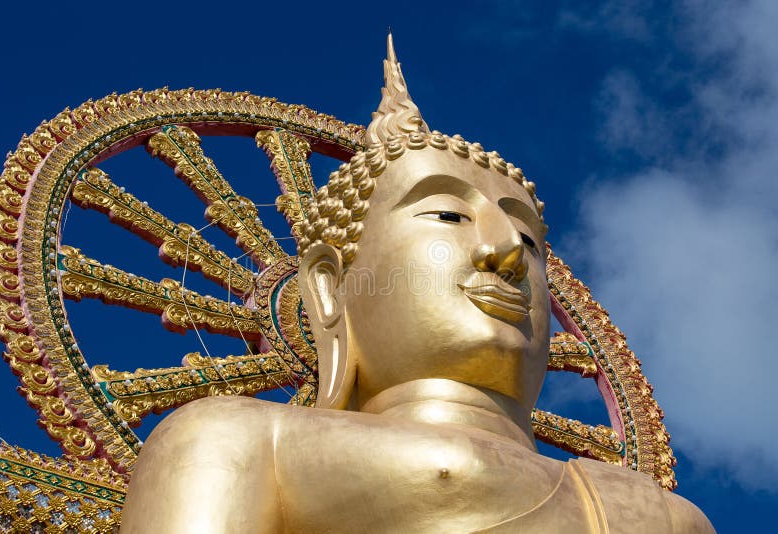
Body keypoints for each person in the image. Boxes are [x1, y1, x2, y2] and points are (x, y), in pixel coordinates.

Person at [121, 35, 714, 533]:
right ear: (328, 288)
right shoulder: (244, 441)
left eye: (530, 241)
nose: (506, 249)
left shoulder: (657, 514)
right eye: (449, 216)